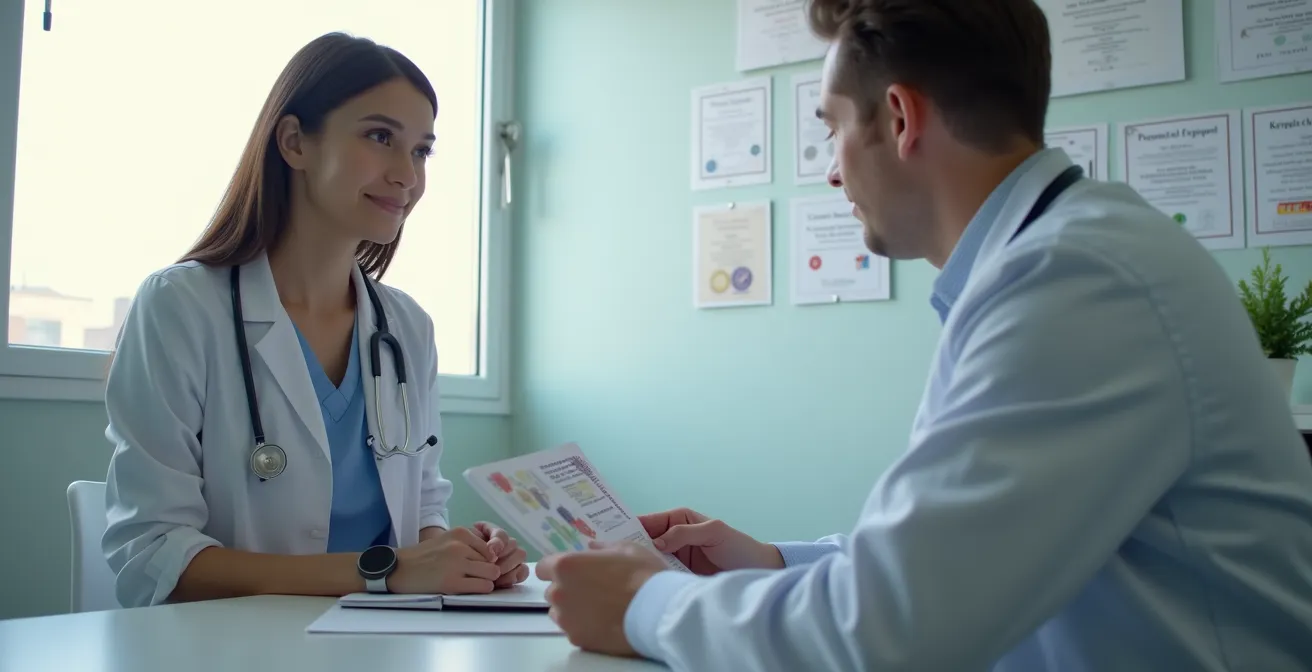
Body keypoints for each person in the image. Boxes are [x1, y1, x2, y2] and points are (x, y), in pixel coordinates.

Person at [535, 1, 1312, 669]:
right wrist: (773, 562)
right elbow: (959, 564)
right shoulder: (1063, 256)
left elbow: (885, 638)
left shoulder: (1078, 278)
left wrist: (645, 602)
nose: (831, 172)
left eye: (833, 128)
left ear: (901, 118)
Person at [101, 32, 528, 609]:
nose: (408, 174)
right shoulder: (180, 306)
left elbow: (422, 510)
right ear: (295, 142)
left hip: (381, 644)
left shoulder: (407, 327)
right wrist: (386, 571)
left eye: (422, 150)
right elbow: (152, 556)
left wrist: (457, 555)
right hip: (231, 649)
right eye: (381, 137)